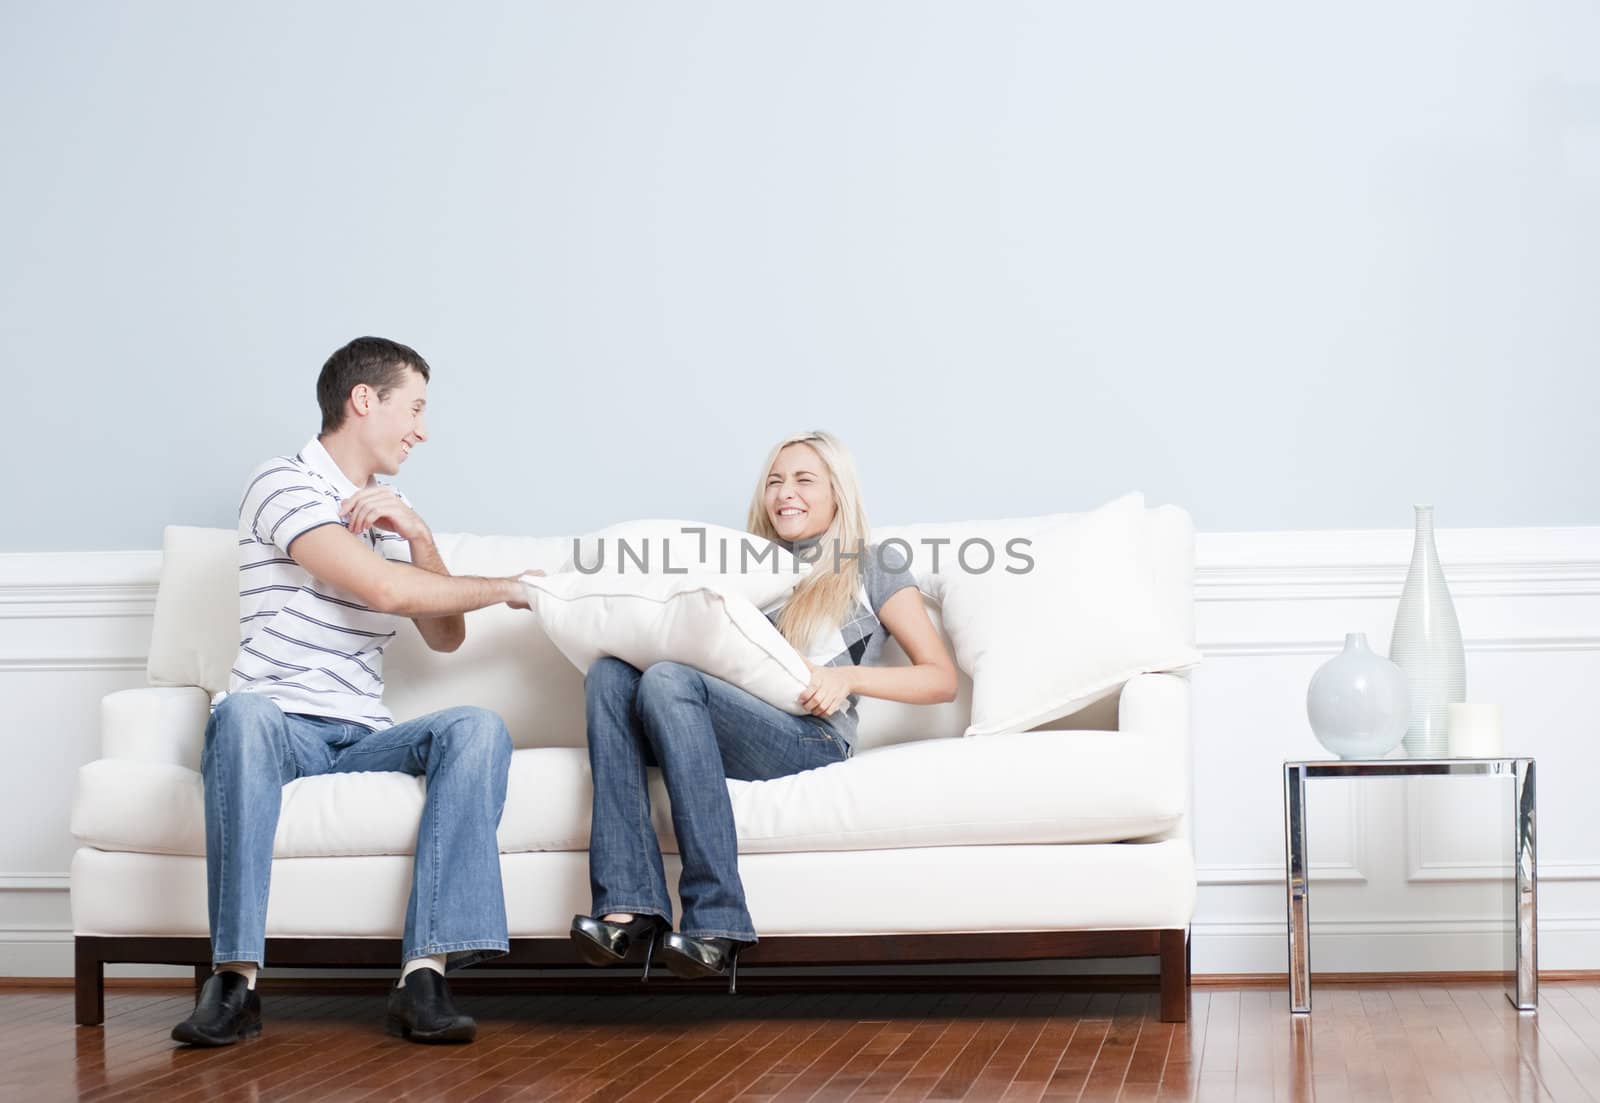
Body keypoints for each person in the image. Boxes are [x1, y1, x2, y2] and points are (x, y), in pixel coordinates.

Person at [171, 337, 536, 1046]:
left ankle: (424, 975)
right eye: (416, 407)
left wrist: (420, 531)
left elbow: (445, 635)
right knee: (242, 713)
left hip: (362, 734)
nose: (422, 429)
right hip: (278, 723)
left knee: (476, 726)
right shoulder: (280, 482)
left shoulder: (390, 510)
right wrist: (511, 586)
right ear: (363, 399)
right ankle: (236, 980)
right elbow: (381, 588)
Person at [569, 431, 958, 990]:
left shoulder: (872, 564)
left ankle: (717, 918)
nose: (784, 494)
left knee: (668, 680)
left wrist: (845, 676)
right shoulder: (744, 567)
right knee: (610, 672)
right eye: (775, 481)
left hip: (812, 737)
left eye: (803, 480)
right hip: (719, 725)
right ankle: (628, 908)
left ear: (837, 494)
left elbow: (940, 679)